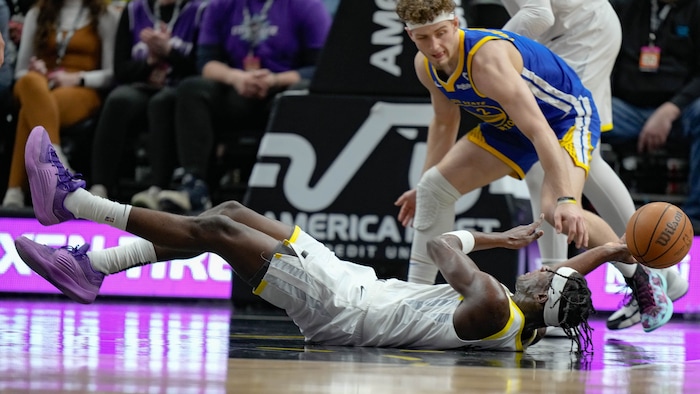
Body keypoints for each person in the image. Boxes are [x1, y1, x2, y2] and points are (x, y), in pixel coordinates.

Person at [15, 126, 650, 353]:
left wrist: (494, 239)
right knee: (235, 208)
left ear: (541, 295)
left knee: (216, 230)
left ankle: (70, 201)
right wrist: (619, 249)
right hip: (351, 284)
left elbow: (441, 250)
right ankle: (93, 267)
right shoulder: (528, 318)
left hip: (338, 306)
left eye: (546, 273)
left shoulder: (492, 306)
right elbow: (567, 284)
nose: (541, 267)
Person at [392, 0, 673, 332]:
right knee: (432, 189)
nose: (435, 46)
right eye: (424, 38)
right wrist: (424, 179)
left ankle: (641, 277)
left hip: (565, 119)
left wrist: (568, 200)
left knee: (555, 210)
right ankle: (416, 301)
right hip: (511, 126)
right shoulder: (425, 65)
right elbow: (443, 121)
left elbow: (541, 130)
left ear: (455, 24)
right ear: (411, 36)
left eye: (441, 34)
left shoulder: (486, 60)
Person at [499, 0, 690, 331]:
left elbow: (537, 13)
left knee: (546, 166)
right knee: (586, 160)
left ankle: (555, 298)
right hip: (561, 33)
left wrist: (489, 51)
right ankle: (658, 273)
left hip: (579, 32)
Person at [154, 0, 332, 213]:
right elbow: (206, 62)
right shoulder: (220, 5)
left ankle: (288, 190)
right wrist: (236, 77)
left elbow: (321, 67)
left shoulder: (307, 6)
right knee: (192, 88)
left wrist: (274, 80)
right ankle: (194, 186)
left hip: (281, 88)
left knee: (299, 94)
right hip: (235, 89)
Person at [600, 0, 699, 329]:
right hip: (626, 107)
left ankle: (692, 223)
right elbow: (606, 62)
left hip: (680, 108)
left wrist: (670, 110)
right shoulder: (624, 7)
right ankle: (653, 275)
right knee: (585, 120)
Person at [87, 0, 208, 205]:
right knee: (118, 100)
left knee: (162, 103)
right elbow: (121, 69)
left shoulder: (200, 10)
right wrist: (149, 63)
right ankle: (100, 186)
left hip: (178, 90)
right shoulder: (134, 10)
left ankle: (157, 187)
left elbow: (200, 67)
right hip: (141, 85)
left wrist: (169, 53)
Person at [1, 0, 119, 208]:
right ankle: (57, 164)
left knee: (30, 113)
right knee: (30, 82)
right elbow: (19, 72)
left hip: (81, 90)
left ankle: (14, 192)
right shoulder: (37, 12)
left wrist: (78, 78)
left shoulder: (105, 15)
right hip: (39, 87)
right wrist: (38, 72)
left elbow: (111, 74)